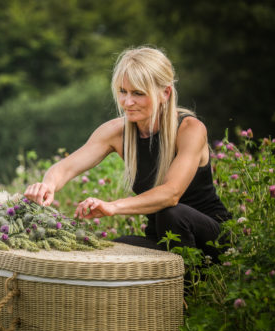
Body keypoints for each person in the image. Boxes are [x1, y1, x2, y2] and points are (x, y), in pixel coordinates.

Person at [24, 46, 231, 259]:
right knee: (110, 251)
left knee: (173, 214)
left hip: (210, 239)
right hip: (162, 239)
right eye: (123, 92)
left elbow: (171, 194)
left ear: (165, 93)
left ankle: (192, 288)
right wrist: (47, 185)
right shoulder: (116, 132)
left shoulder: (190, 129)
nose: (127, 102)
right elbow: (65, 168)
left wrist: (113, 207)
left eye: (138, 93)